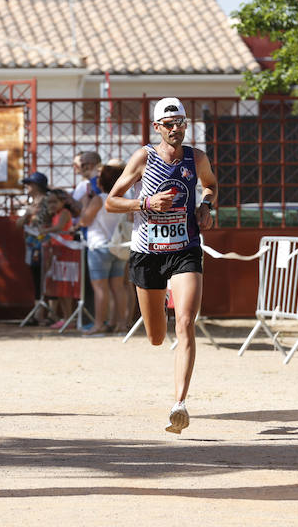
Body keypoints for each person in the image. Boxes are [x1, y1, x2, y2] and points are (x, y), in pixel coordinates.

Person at [106, 97, 217, 434]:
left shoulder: (196, 158)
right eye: (169, 124)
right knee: (156, 336)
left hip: (185, 248)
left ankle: (179, 404)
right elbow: (111, 201)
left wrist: (206, 206)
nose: (175, 129)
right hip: (148, 252)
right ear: (157, 127)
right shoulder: (144, 158)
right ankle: (158, 327)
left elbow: (210, 185)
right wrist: (145, 202)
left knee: (185, 322)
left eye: (180, 123)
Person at [77, 162, 131, 335]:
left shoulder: (99, 199)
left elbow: (84, 221)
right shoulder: (125, 200)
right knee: (118, 287)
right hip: (118, 247)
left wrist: (85, 203)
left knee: (100, 288)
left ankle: (99, 324)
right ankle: (121, 324)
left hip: (99, 246)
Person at [38, 188, 76, 329]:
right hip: (57, 253)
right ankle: (66, 317)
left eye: (54, 202)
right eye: (49, 203)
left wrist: (45, 231)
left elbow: (59, 227)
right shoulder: (55, 214)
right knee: (60, 288)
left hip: (66, 253)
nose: (51, 205)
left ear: (62, 202)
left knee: (65, 288)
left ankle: (68, 317)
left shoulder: (65, 213)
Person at [16, 171, 49, 322]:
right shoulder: (31, 204)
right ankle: (38, 313)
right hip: (32, 245)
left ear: (37, 185)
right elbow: (18, 225)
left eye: (29, 184)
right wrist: (27, 214)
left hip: (44, 244)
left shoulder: (47, 201)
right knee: (36, 278)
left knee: (44, 278)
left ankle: (41, 314)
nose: (27, 186)